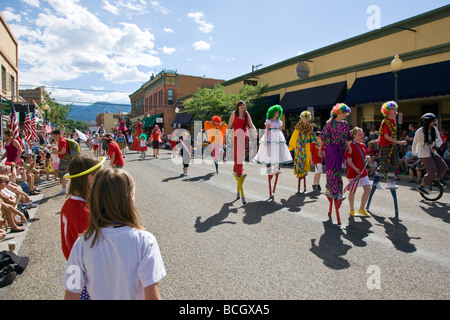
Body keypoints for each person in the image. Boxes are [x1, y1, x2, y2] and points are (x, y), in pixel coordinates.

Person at [62, 168, 166, 300]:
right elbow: (152, 293)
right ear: (130, 199)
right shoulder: (145, 240)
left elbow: (72, 292)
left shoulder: (81, 244)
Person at [319, 103, 352, 201]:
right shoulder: (330, 123)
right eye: (342, 112)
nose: (344, 114)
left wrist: (349, 146)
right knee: (331, 170)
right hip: (330, 149)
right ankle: (332, 191)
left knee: (338, 170)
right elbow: (323, 137)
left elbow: (346, 138)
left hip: (339, 149)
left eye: (345, 113)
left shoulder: (345, 124)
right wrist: (321, 149)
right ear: (337, 112)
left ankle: (335, 191)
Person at [412, 113, 448, 194]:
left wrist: (435, 147)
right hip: (424, 153)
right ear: (428, 121)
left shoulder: (434, 129)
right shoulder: (420, 131)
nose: (434, 122)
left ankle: (435, 182)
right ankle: (422, 186)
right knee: (433, 170)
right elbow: (415, 143)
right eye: (433, 121)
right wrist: (414, 154)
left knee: (443, 166)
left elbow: (439, 140)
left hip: (432, 152)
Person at [376, 101, 407, 189]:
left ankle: (389, 182)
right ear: (387, 111)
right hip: (385, 145)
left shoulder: (393, 120)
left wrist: (397, 142)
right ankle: (376, 181)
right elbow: (386, 136)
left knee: (394, 163)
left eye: (395, 109)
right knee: (384, 165)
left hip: (392, 145)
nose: (395, 111)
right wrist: (399, 142)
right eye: (393, 109)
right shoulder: (386, 122)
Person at [255, 105, 293, 174]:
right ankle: (269, 168)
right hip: (270, 138)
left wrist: (283, 140)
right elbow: (266, 131)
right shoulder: (268, 121)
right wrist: (265, 140)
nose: (278, 113)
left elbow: (281, 131)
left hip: (277, 138)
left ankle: (276, 168)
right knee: (269, 153)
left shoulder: (279, 122)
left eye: (279, 112)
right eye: (277, 112)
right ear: (273, 112)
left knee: (277, 152)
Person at [345, 127, 371, 217]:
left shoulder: (363, 145)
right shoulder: (351, 146)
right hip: (354, 173)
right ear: (354, 135)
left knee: (368, 189)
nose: (361, 136)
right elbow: (349, 160)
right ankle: (352, 209)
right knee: (352, 191)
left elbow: (362, 157)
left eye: (362, 134)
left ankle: (361, 208)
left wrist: (367, 158)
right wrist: (354, 168)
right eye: (359, 134)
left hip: (363, 171)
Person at [227, 100, 257, 177]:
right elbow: (229, 126)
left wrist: (255, 131)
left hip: (245, 136)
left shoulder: (246, 114)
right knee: (239, 153)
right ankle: (240, 171)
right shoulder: (234, 114)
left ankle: (235, 169)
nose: (242, 106)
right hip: (237, 136)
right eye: (241, 105)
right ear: (238, 106)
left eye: (244, 105)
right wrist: (225, 136)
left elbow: (251, 124)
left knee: (241, 153)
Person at [289, 110, 317, 179]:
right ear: (302, 118)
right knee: (300, 158)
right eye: (305, 119)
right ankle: (300, 172)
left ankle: (303, 170)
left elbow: (312, 135)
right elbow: (294, 136)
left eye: (307, 119)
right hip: (299, 144)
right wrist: (291, 146)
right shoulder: (299, 126)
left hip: (306, 144)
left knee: (305, 157)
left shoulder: (309, 126)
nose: (306, 120)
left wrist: (316, 142)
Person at [52, 130, 71, 196]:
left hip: (64, 159)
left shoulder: (61, 141)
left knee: (62, 174)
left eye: (54, 136)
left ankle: (63, 189)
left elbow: (63, 151)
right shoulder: (64, 139)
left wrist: (56, 152)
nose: (54, 138)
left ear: (58, 135)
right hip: (67, 158)